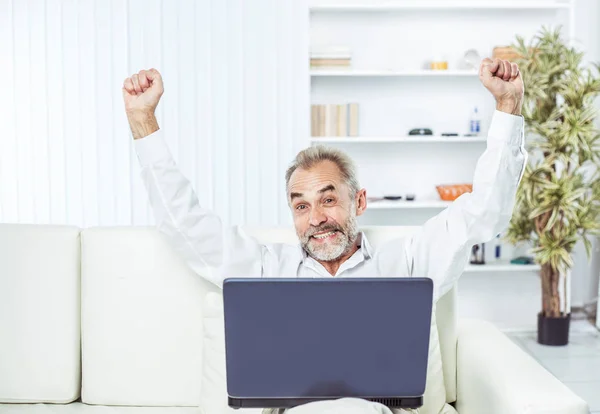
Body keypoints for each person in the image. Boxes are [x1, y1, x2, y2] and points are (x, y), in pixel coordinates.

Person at [122, 58, 527, 414]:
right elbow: (185, 225)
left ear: (359, 201)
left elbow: (483, 212)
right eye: (301, 206)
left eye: (328, 200)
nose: (315, 218)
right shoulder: (268, 269)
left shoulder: (404, 263)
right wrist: (144, 121)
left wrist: (508, 108)